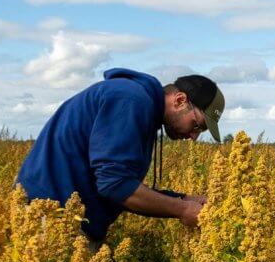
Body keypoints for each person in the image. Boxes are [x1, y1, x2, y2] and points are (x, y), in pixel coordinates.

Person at [15, 68, 225, 249]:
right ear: (180, 101)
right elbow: (115, 185)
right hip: (49, 217)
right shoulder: (130, 100)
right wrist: (183, 210)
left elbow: (118, 183)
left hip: (62, 216)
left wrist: (182, 199)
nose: (193, 137)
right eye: (196, 125)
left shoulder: (138, 104)